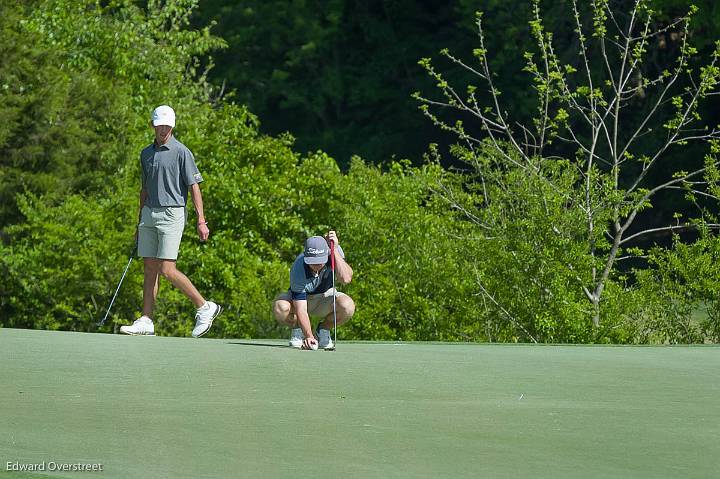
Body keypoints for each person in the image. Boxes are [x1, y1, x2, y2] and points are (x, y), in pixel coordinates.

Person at [120, 105, 222, 337]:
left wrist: (201, 220)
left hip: (172, 213)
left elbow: (194, 187)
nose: (163, 129)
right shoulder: (145, 153)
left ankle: (205, 307)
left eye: (167, 125)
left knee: (167, 269)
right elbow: (144, 190)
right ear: (153, 126)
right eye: (159, 125)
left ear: (172, 126)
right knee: (149, 268)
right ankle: (146, 320)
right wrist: (139, 221)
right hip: (149, 213)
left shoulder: (181, 152)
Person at [272, 231, 355, 349]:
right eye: (312, 262)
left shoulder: (333, 252)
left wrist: (335, 250)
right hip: (303, 299)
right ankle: (298, 330)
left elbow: (346, 279)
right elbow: (301, 309)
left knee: (348, 306)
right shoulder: (298, 267)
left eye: (320, 261)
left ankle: (323, 330)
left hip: (325, 297)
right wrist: (309, 336)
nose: (316, 265)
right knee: (280, 307)